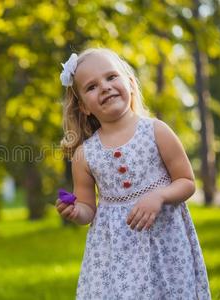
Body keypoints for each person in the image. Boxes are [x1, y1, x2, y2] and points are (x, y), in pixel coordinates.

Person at [55, 48, 211, 299]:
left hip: (165, 242)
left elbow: (187, 182)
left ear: (129, 83)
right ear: (83, 106)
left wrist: (159, 196)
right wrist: (76, 212)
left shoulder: (156, 131)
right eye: (92, 86)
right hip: (116, 253)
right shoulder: (84, 154)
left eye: (111, 77)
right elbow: (87, 208)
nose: (105, 87)